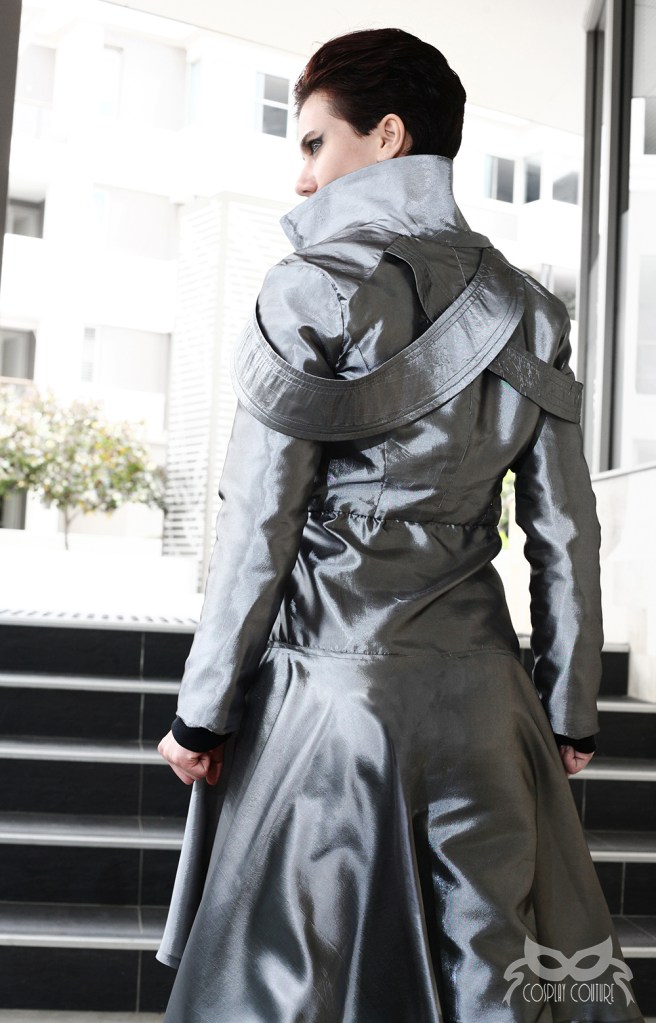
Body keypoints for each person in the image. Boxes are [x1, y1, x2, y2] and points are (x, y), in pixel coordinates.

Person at [156, 28, 644, 1023]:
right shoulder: (530, 311)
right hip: (489, 705)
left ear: (386, 135)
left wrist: (202, 713)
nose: (301, 178)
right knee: (492, 987)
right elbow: (565, 533)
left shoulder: (305, 287)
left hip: (331, 702)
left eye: (312, 143)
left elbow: (261, 523)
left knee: (305, 989)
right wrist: (569, 710)